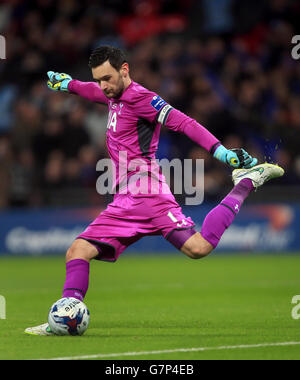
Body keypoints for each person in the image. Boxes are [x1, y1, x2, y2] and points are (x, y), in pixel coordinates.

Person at [25, 46, 284, 335]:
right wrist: (68, 85)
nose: (104, 86)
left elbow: (184, 122)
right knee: (78, 250)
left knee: (198, 248)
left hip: (148, 194)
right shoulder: (111, 94)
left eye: (108, 78)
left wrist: (221, 153)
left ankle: (246, 181)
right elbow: (93, 91)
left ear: (125, 70)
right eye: (99, 79)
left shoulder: (142, 98)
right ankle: (65, 318)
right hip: (126, 198)